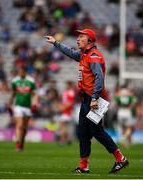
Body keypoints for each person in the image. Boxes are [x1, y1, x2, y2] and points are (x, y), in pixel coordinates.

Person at [44, 28, 129, 174]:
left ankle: (120, 158)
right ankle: (83, 166)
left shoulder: (94, 56)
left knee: (97, 131)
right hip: (86, 100)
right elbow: (71, 53)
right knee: (83, 132)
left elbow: (99, 79)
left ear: (89, 40)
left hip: (94, 99)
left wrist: (95, 98)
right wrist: (56, 43)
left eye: (81, 37)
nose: (78, 39)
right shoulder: (84, 54)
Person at [8, 66, 38, 151]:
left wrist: (35, 104)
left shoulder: (31, 81)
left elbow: (34, 94)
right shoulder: (15, 81)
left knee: (24, 128)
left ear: (25, 72)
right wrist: (9, 104)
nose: (20, 73)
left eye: (22, 71)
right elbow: (13, 93)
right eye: (19, 71)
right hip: (18, 106)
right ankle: (17, 142)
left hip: (28, 107)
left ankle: (21, 142)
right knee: (20, 124)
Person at [58, 80, 76, 145]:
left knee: (63, 126)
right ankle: (67, 139)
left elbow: (71, 103)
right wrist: (60, 106)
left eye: (67, 84)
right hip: (64, 111)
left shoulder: (71, 92)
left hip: (68, 112)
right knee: (64, 126)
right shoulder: (65, 92)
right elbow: (62, 101)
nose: (66, 86)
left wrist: (63, 107)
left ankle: (62, 140)